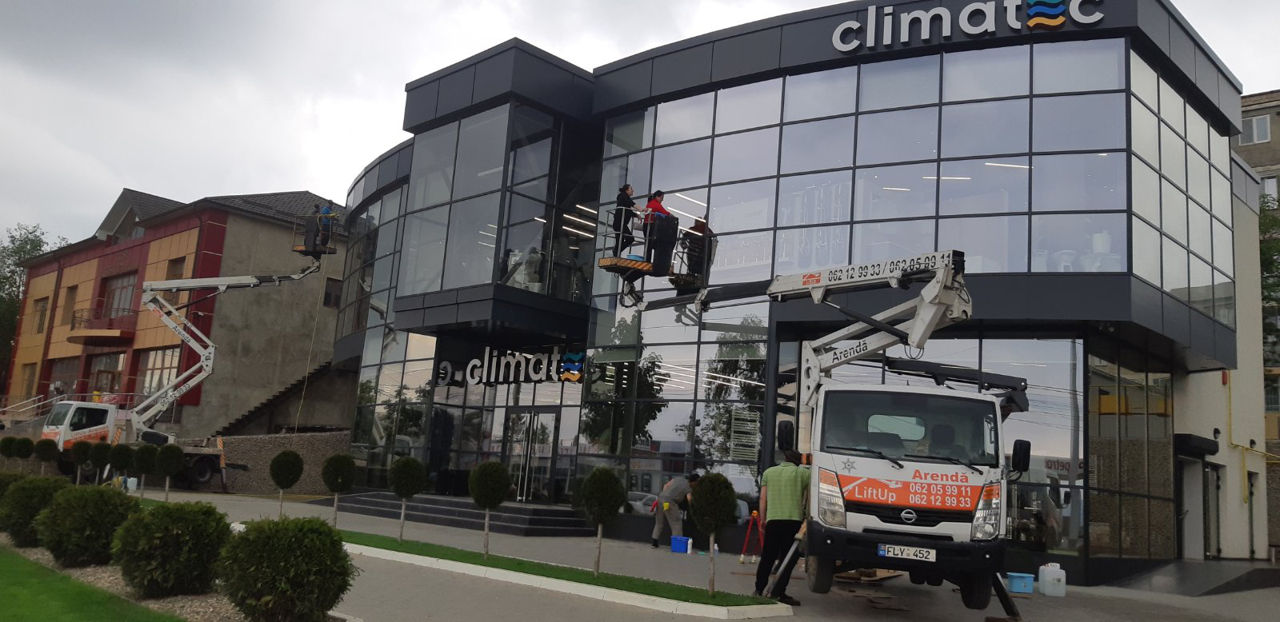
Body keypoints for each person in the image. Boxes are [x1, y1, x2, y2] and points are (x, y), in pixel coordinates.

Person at [754, 450, 809, 606]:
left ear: (784, 459)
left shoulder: (769, 472)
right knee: (788, 559)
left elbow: (763, 498)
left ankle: (759, 589)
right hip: (793, 522)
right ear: (798, 461)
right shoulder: (802, 474)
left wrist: (763, 519)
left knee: (767, 557)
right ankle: (778, 592)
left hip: (773, 520)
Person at [651, 471, 700, 548]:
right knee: (676, 523)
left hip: (660, 499)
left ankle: (654, 543)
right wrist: (694, 507)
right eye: (697, 483)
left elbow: (665, 485)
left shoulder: (678, 479)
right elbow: (689, 499)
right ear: (693, 482)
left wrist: (665, 495)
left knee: (659, 522)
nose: (696, 485)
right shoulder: (688, 488)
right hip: (669, 502)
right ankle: (677, 545)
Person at [644, 191, 678, 276]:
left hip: (647, 225)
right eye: (662, 198)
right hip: (650, 225)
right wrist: (675, 218)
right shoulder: (655, 204)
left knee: (649, 244)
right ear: (657, 197)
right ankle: (650, 261)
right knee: (654, 243)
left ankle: (647, 260)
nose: (662, 200)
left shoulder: (651, 203)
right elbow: (665, 213)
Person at [612, 184, 637, 256]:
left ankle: (616, 252)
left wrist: (636, 215)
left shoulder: (624, 198)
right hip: (619, 224)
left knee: (620, 241)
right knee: (628, 239)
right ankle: (616, 252)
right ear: (627, 190)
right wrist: (641, 209)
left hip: (621, 224)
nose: (633, 190)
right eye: (631, 189)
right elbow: (631, 204)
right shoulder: (623, 196)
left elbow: (628, 211)